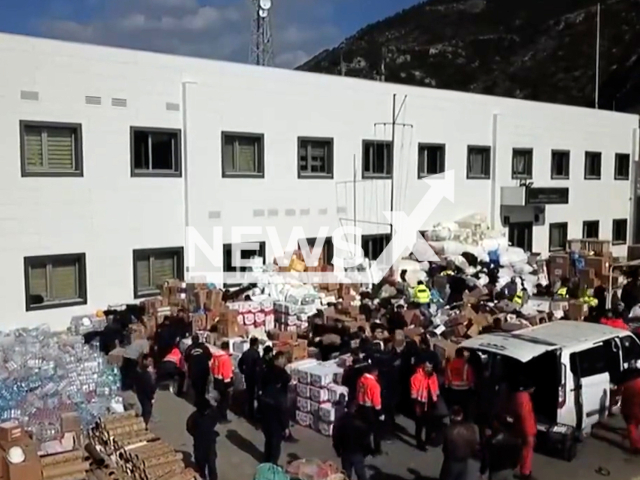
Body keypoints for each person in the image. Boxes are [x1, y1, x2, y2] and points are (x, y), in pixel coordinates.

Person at [259, 351, 291, 465]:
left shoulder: (266, 370)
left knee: (268, 440)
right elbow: (282, 407)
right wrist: (286, 426)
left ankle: (266, 460)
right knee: (275, 443)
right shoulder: (281, 379)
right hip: (275, 416)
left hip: (265, 411)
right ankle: (272, 466)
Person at [332, 402, 372, 480]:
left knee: (346, 474)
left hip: (345, 452)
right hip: (357, 453)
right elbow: (366, 439)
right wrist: (366, 451)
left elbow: (336, 436)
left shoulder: (341, 420)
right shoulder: (361, 423)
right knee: (361, 474)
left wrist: (337, 450)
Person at [439, 406, 479, 480]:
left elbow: (445, 448)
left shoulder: (449, 430)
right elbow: (474, 446)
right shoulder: (470, 429)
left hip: (451, 461)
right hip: (464, 461)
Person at [411, 358, 440, 451]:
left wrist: (436, 399)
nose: (429, 369)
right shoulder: (416, 377)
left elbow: (435, 388)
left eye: (430, 367)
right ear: (423, 366)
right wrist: (416, 404)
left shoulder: (433, 375)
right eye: (427, 367)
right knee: (419, 425)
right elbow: (414, 393)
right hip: (420, 402)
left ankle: (427, 440)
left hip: (431, 402)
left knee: (429, 424)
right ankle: (419, 443)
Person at [186, 398, 219, 480]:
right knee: (204, 466)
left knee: (209, 466)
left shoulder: (195, 417)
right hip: (204, 444)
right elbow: (189, 428)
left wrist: (195, 435)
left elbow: (189, 428)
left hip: (204, 444)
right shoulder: (197, 417)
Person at [510, 380, 536, 480]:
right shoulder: (523, 398)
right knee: (526, 450)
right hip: (526, 429)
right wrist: (529, 434)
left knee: (519, 448)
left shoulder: (515, 394)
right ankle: (525, 473)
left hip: (519, 427)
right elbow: (525, 416)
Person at [356, 364, 384, 455]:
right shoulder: (374, 384)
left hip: (361, 406)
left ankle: (365, 448)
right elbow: (376, 400)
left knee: (365, 430)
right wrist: (380, 413)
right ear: (374, 372)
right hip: (371, 410)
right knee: (376, 431)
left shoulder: (361, 380)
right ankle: (377, 450)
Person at [445, 348, 474, 419]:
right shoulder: (466, 365)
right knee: (465, 409)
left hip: (453, 390)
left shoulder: (450, 364)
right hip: (464, 392)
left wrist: (447, 385)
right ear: (462, 355)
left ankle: (453, 419)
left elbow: (447, 379)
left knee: (453, 408)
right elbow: (471, 379)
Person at [184, 334, 213, 404]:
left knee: (196, 386)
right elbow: (210, 357)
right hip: (204, 370)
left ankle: (198, 399)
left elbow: (186, 359)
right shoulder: (204, 347)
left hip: (193, 371)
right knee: (203, 385)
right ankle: (202, 399)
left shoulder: (189, 348)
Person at [238, 337, 262, 422]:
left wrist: (243, 371)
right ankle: (255, 413)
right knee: (257, 395)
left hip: (248, 376)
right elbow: (258, 367)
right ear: (256, 344)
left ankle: (249, 411)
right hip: (255, 377)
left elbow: (240, 363)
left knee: (249, 394)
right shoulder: (256, 354)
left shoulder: (245, 353)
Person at [211, 341, 233, 424]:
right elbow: (227, 372)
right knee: (225, 400)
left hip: (217, 379)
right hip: (224, 382)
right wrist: (229, 384)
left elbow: (212, 367)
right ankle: (222, 417)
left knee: (221, 399)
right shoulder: (225, 358)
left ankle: (218, 414)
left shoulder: (215, 357)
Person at [620, 369, 640, 453]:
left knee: (631, 426)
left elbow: (617, 394)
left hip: (630, 409)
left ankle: (636, 446)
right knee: (636, 424)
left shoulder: (625, 385)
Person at [135, 354, 156, 426]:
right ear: (144, 361)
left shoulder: (138, 372)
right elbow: (150, 387)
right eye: (149, 361)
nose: (150, 363)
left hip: (140, 396)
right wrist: (152, 397)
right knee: (146, 414)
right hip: (145, 398)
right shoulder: (146, 374)